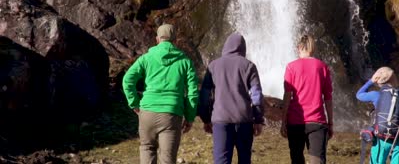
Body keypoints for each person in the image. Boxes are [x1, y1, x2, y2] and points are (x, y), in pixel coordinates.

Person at [122, 24, 198, 164]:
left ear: (157, 39)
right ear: (175, 41)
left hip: (147, 111)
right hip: (172, 113)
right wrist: (190, 116)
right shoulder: (185, 62)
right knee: (167, 159)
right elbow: (193, 93)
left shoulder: (146, 58)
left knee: (147, 148)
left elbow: (127, 80)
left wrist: (134, 103)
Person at [199, 32, 265, 164]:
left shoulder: (213, 66)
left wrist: (205, 118)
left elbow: (205, 95)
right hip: (244, 121)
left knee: (221, 161)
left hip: (221, 121)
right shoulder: (249, 66)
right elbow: (256, 95)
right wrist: (258, 119)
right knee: (245, 160)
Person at [280, 35, 333, 164]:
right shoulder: (322, 67)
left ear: (299, 47)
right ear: (312, 48)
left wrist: (283, 121)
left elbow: (287, 96)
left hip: (295, 121)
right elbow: (328, 97)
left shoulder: (291, 67)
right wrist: (330, 122)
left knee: (296, 159)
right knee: (317, 160)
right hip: (317, 121)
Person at [356, 67, 399, 164]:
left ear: (378, 81)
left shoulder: (375, 95)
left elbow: (359, 94)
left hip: (381, 138)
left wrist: (371, 81)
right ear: (394, 80)